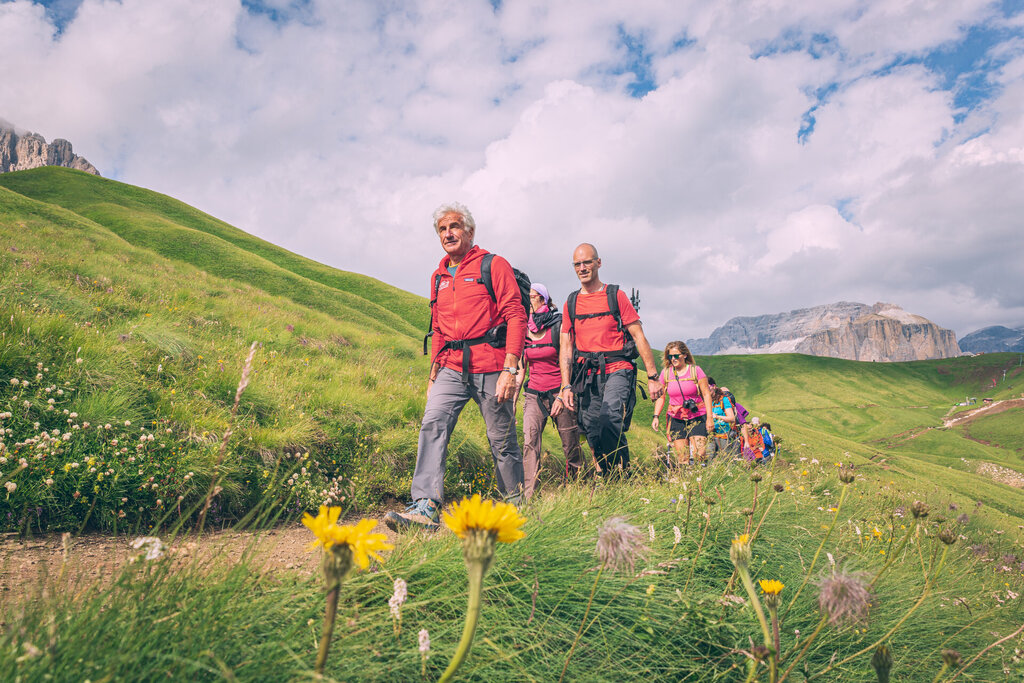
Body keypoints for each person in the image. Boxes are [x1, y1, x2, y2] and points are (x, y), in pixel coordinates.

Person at [385, 202, 526, 531]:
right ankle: (425, 507)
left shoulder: (494, 265)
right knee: (433, 423)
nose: (448, 233)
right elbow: (437, 329)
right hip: (449, 366)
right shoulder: (437, 277)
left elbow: (516, 316)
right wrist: (432, 375)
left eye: (454, 226)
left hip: (492, 364)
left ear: (470, 232)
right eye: (442, 229)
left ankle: (515, 509)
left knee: (501, 440)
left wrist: (510, 368)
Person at [552, 243, 664, 476]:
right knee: (593, 431)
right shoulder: (570, 303)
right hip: (588, 375)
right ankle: (616, 477)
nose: (582, 268)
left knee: (609, 419)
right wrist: (566, 385)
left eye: (587, 262)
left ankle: (619, 474)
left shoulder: (616, 296)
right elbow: (566, 348)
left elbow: (638, 336)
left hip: (618, 369)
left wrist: (653, 376)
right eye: (577, 264)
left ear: (598, 263)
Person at [516, 284, 584, 499]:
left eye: (531, 298)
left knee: (570, 443)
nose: (527, 303)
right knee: (530, 443)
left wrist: (563, 395)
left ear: (543, 300)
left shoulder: (558, 326)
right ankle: (528, 496)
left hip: (559, 392)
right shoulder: (523, 330)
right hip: (534, 393)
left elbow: (568, 360)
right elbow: (520, 370)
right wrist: (511, 403)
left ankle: (576, 489)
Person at [651, 342, 714, 466]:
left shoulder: (696, 371)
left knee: (699, 454)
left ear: (685, 355)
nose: (673, 359)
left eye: (676, 356)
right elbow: (661, 396)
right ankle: (686, 483)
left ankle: (701, 481)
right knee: (682, 456)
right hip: (676, 417)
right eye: (670, 356)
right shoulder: (666, 373)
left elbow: (706, 394)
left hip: (697, 415)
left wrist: (710, 418)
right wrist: (656, 416)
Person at [708, 385, 736, 458]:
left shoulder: (724, 400)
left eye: (708, 387)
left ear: (713, 386)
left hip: (723, 433)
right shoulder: (705, 401)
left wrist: (717, 417)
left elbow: (732, 418)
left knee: (725, 457)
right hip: (709, 434)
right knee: (709, 457)